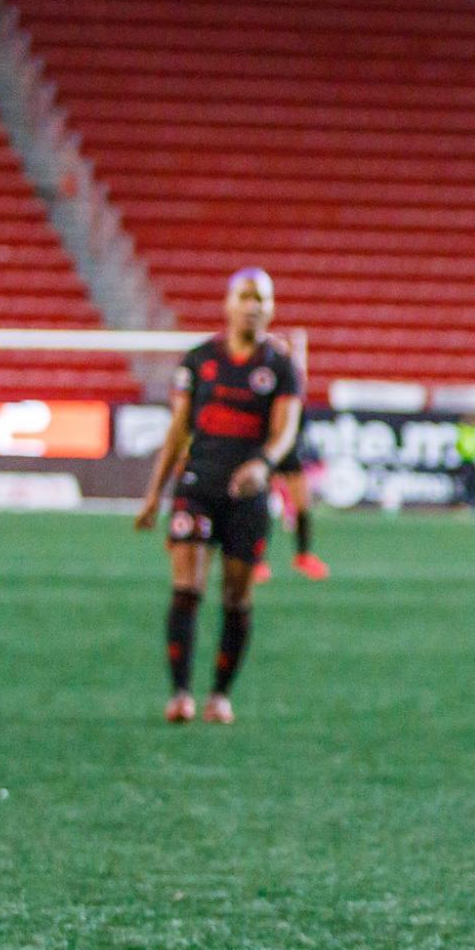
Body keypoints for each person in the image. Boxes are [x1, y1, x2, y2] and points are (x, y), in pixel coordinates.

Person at [134, 267, 301, 724]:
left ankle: (220, 695)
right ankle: (181, 694)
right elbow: (178, 429)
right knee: (187, 587)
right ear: (228, 303)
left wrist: (262, 464)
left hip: (248, 496)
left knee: (236, 598)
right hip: (197, 488)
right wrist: (154, 494)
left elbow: (286, 431)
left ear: (271, 308)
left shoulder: (281, 366)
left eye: (262, 299)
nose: (254, 306)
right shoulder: (198, 360)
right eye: (246, 296)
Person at [255, 325, 329, 583]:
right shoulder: (264, 384)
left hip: (288, 450)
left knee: (302, 503)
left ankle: (303, 555)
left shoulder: (292, 382)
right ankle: (257, 561)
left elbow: (300, 422)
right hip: (267, 448)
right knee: (260, 507)